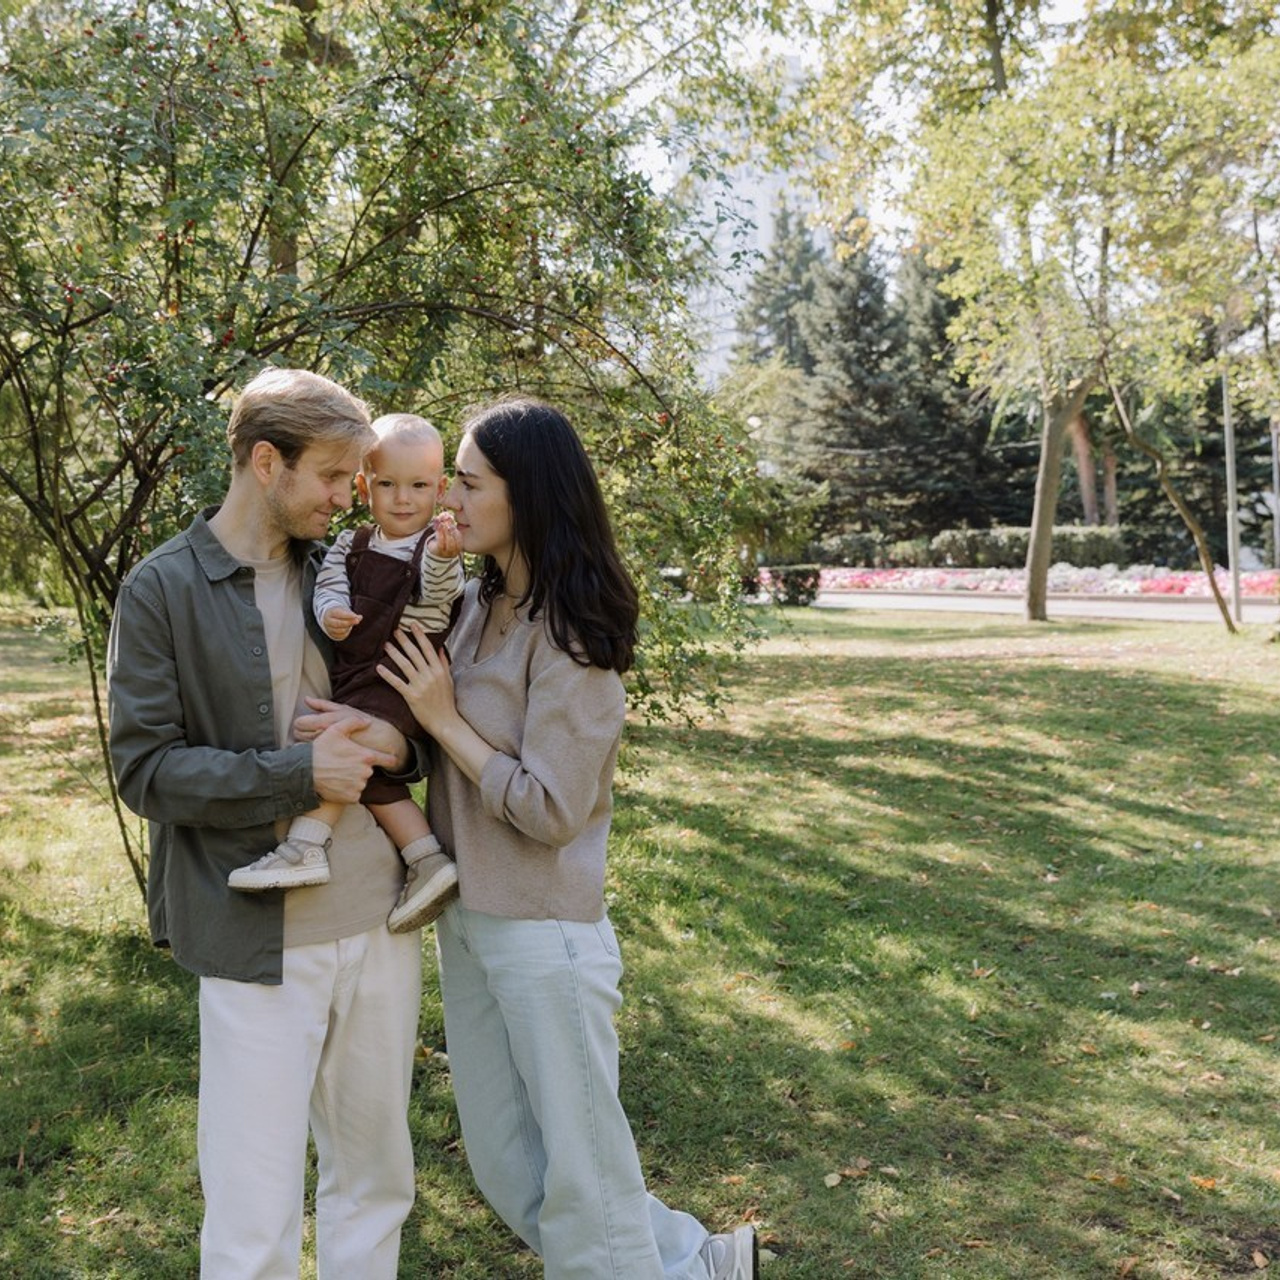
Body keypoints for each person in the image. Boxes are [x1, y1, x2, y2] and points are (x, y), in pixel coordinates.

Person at [378, 396, 759, 1279]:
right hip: (470, 919)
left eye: (469, 483)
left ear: (530, 495)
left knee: (584, 1188)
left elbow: (552, 810)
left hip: (544, 929)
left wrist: (445, 720)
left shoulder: (573, 636)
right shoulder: (476, 603)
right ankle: (697, 1262)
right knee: (511, 1167)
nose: (449, 499)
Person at [106, 368, 425, 1279]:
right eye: (330, 476)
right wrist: (297, 776)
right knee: (254, 1218)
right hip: (253, 932)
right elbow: (144, 769)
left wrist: (400, 747)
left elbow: (408, 705)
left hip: (379, 916)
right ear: (264, 463)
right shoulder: (162, 588)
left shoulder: (348, 571)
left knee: (375, 1181)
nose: (347, 497)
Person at [227, 412, 465, 933]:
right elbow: (330, 584)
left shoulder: (437, 545)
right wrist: (331, 611)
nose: (403, 499)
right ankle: (426, 858)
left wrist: (446, 558)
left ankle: (305, 845)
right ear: (364, 487)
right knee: (372, 775)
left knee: (343, 742)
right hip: (359, 671)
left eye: (419, 486)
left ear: (440, 488)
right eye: (387, 485)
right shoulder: (351, 543)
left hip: (403, 674)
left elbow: (440, 592)